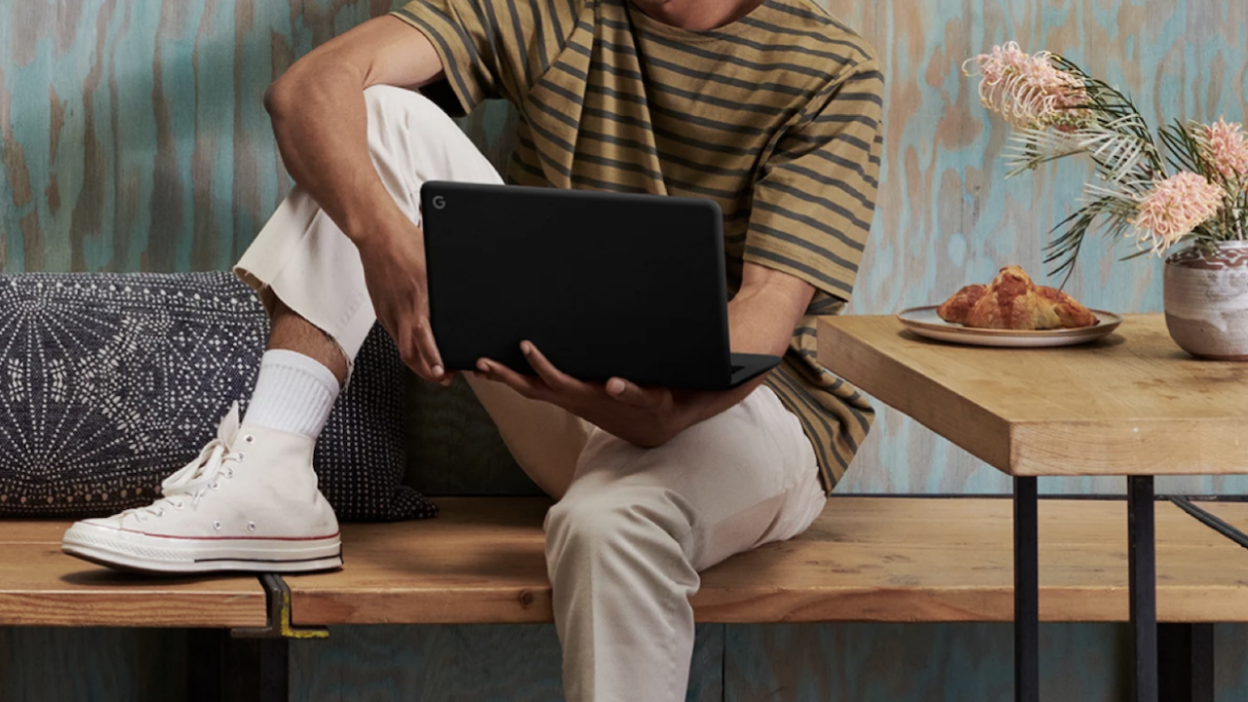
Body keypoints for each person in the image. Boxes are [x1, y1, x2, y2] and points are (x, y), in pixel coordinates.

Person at [62, 0, 883, 698]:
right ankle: (274, 472)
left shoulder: (829, 67)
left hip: (741, 418)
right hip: (558, 384)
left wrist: (664, 411)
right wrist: (382, 237)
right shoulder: (554, 11)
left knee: (606, 525)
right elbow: (306, 90)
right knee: (377, 111)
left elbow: (765, 315)